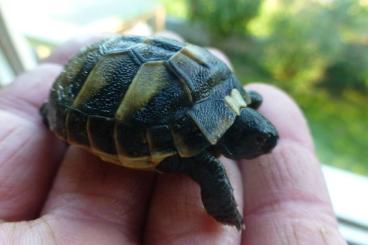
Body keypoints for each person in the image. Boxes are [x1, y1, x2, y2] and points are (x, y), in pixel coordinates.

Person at [0, 33, 347, 245]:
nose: (268, 142)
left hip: (180, 75)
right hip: (92, 85)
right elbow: (209, 167)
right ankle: (53, 112)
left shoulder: (227, 99)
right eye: (256, 140)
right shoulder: (200, 153)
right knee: (205, 162)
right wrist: (225, 211)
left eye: (261, 136)